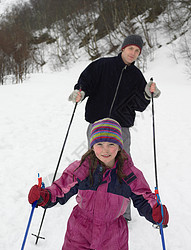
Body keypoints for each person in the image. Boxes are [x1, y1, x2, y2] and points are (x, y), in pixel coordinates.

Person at [28, 118, 169, 250]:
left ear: (119, 146)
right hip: (80, 230)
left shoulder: (129, 173)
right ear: (92, 145)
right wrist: (45, 196)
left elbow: (144, 197)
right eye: (100, 144)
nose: (105, 150)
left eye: (111, 144)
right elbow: (60, 189)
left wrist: (155, 212)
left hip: (113, 235)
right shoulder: (81, 169)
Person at [68, 34, 161, 221]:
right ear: (123, 48)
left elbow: (139, 105)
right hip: (97, 125)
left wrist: (147, 94)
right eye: (130, 49)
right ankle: (89, 206)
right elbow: (87, 81)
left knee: (122, 167)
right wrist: (80, 91)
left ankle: (121, 213)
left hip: (121, 129)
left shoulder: (136, 76)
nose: (133, 53)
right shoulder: (103, 65)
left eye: (137, 51)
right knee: (93, 165)